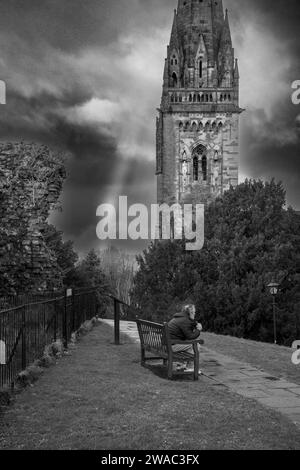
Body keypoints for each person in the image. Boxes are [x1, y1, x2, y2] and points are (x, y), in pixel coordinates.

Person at [168, 304, 203, 373]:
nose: (195, 314)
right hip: (171, 347)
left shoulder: (179, 317)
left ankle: (181, 365)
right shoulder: (184, 320)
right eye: (194, 312)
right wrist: (198, 330)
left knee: (187, 344)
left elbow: (186, 333)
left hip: (167, 345)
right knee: (195, 345)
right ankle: (190, 367)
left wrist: (193, 324)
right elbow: (190, 336)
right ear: (191, 312)